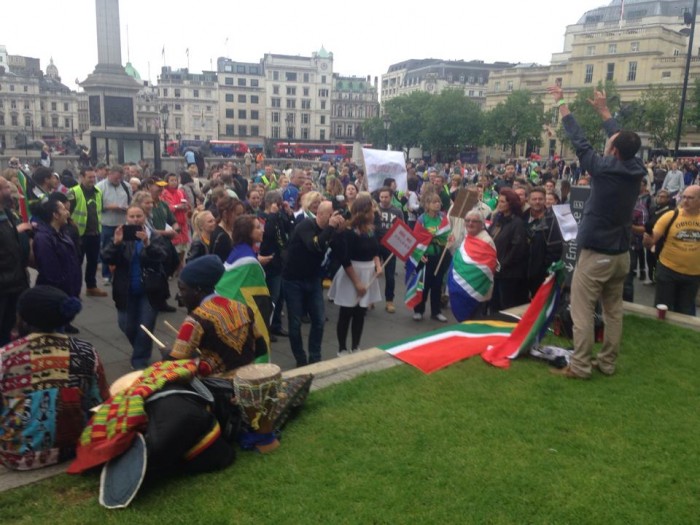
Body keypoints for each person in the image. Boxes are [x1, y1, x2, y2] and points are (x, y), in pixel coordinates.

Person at [547, 85, 645, 379]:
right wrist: (604, 112)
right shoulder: (636, 166)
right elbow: (622, 141)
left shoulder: (603, 168)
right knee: (614, 310)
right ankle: (607, 363)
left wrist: (562, 103)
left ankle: (579, 366)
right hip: (620, 255)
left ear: (613, 151)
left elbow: (579, 140)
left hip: (596, 254)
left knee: (582, 310)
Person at [0, 285, 109, 470]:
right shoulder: (86, 352)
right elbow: (99, 402)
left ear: (23, 318)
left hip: (16, 456)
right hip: (72, 448)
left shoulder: (6, 357)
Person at [168, 255, 265, 374]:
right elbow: (261, 348)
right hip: (249, 382)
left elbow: (173, 364)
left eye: (183, 289)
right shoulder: (241, 307)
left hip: (217, 389)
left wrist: (167, 355)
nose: (180, 295)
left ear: (197, 290)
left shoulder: (195, 321)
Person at [101, 204, 170, 369]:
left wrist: (147, 244)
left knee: (145, 326)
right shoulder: (120, 235)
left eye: (138, 216)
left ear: (144, 217)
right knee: (126, 325)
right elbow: (106, 258)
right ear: (126, 218)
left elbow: (162, 256)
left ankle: (139, 360)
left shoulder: (152, 235)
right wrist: (116, 244)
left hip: (149, 289)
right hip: (125, 288)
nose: (135, 219)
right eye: (131, 216)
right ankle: (141, 348)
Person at [282, 201, 345, 366]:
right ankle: (300, 358)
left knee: (318, 320)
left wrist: (340, 232)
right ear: (320, 214)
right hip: (293, 280)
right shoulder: (306, 225)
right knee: (295, 323)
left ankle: (315, 356)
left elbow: (340, 251)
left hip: (313, 279)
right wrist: (330, 228)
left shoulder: (330, 231)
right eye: (330, 215)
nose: (333, 219)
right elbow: (314, 245)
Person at [329, 193, 383, 355]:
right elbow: (345, 259)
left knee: (360, 313)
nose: (374, 214)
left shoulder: (372, 231)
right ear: (364, 212)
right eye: (371, 211)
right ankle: (342, 348)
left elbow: (375, 251)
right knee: (346, 312)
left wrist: (378, 265)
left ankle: (355, 346)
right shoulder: (348, 231)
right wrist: (357, 283)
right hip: (351, 273)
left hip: (367, 271)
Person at [643, 185, 700, 315]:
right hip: (668, 271)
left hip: (693, 275)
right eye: (684, 197)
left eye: (690, 198)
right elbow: (652, 239)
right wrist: (648, 240)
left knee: (685, 312)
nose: (685, 200)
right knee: (662, 310)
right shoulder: (670, 216)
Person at [31, 194, 83, 333]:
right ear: (55, 215)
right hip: (55, 296)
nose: (67, 211)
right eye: (62, 209)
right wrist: (62, 293)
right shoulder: (44, 238)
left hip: (66, 292)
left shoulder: (61, 233)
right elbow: (50, 272)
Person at [68, 166, 108, 297]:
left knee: (93, 262)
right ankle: (74, 290)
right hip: (79, 235)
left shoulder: (98, 192)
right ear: (81, 177)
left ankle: (91, 287)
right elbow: (66, 213)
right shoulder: (73, 192)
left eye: (93, 177)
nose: (92, 180)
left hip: (94, 233)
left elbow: (99, 211)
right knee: (76, 263)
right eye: (89, 177)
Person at [412, 192, 453, 322]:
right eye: (434, 202)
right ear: (427, 205)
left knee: (437, 285)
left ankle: (436, 312)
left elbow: (447, 234)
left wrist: (450, 239)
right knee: (423, 285)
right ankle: (419, 310)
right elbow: (416, 239)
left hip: (440, 256)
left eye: (439, 202)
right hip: (425, 256)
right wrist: (419, 255)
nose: (437, 204)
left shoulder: (443, 218)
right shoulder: (422, 220)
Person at [260, 190, 295, 338]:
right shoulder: (262, 217)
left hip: (280, 260)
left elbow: (289, 228)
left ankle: (276, 325)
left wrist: (289, 214)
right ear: (270, 203)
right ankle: (265, 328)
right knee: (271, 297)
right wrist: (273, 215)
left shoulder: (279, 215)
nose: (280, 206)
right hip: (269, 261)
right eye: (278, 204)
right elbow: (267, 234)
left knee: (279, 296)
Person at [487, 188, 529, 311]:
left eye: (503, 202)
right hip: (495, 270)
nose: (499, 204)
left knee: (505, 305)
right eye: (498, 201)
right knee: (493, 303)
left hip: (508, 274)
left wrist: (502, 264)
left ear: (511, 204)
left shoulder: (517, 223)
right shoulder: (498, 219)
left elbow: (517, 249)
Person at [0, 177, 30, 345]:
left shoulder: (8, 214)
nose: (11, 192)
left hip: (15, 283)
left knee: (9, 329)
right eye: (6, 188)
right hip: (4, 286)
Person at [96, 166, 132, 286]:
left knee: (123, 249)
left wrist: (127, 208)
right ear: (109, 174)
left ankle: (120, 273)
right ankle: (106, 275)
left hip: (122, 222)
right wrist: (111, 207)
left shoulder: (126, 186)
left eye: (120, 178)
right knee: (107, 248)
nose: (118, 180)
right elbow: (97, 205)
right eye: (116, 178)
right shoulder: (100, 187)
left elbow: (131, 201)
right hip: (107, 223)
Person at [525, 187, 563, 297]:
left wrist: (544, 270)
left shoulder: (552, 221)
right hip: (522, 274)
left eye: (540, 199)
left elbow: (555, 250)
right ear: (529, 200)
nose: (537, 202)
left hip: (540, 275)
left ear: (545, 200)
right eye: (534, 199)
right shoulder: (523, 218)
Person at [374, 186, 404, 314]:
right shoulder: (375, 210)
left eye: (386, 197)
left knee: (390, 276)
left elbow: (403, 229)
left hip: (391, 246)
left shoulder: (397, 211)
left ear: (391, 197)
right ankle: (370, 300)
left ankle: (389, 301)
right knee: (373, 273)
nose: (384, 199)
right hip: (375, 244)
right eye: (381, 197)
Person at [161, 172, 191, 272]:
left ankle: (180, 265)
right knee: (174, 247)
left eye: (175, 180)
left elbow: (186, 203)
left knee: (183, 247)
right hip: (173, 223)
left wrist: (186, 206)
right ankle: (173, 267)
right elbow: (167, 207)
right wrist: (177, 207)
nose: (174, 182)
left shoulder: (180, 192)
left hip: (183, 223)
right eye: (171, 180)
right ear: (166, 182)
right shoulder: (164, 193)